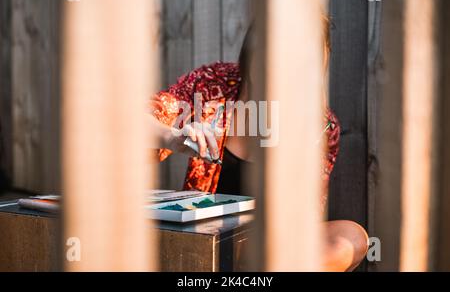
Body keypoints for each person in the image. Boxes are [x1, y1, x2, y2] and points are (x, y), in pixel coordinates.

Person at [148, 16, 368, 271]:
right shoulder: (211, 84)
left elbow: (301, 221)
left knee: (351, 236)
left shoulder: (320, 125)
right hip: (205, 241)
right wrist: (171, 137)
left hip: (270, 249)